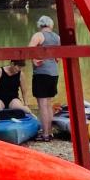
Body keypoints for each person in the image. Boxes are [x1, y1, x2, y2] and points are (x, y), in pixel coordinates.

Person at [28, 14, 60, 142]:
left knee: (42, 104)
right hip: (54, 73)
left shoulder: (38, 35)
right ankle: (50, 132)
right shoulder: (57, 37)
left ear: (40, 25)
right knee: (48, 103)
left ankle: (45, 134)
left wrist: (34, 60)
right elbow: (58, 57)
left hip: (41, 73)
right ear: (51, 25)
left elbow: (29, 50)